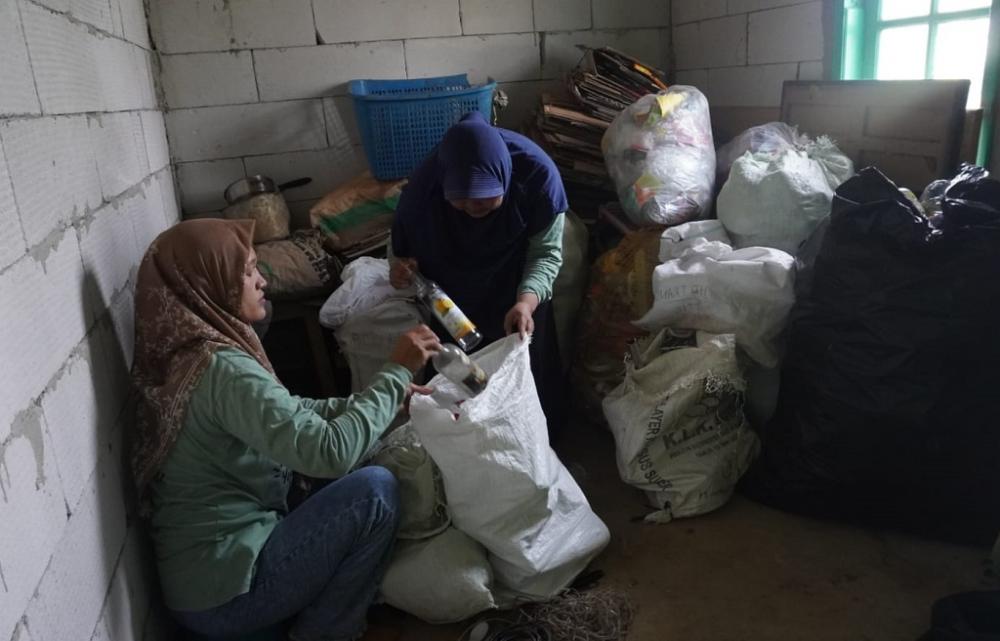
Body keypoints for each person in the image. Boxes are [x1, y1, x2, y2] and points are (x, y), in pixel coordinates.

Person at [129, 218, 441, 641]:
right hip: (229, 597)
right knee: (374, 492)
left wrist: (385, 400)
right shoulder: (223, 369)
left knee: (344, 459)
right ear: (208, 283)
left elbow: (292, 411)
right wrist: (395, 372)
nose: (261, 282)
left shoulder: (191, 354)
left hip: (206, 588)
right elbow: (329, 453)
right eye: (247, 271)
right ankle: (324, 632)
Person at [389, 111, 568, 430]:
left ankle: (539, 442)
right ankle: (463, 443)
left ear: (505, 178)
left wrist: (526, 302)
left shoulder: (537, 177)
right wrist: (401, 268)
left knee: (527, 371)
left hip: (518, 282)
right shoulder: (422, 192)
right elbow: (400, 252)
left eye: (485, 201)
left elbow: (545, 253)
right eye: (461, 202)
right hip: (452, 296)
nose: (473, 209)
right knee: (458, 380)